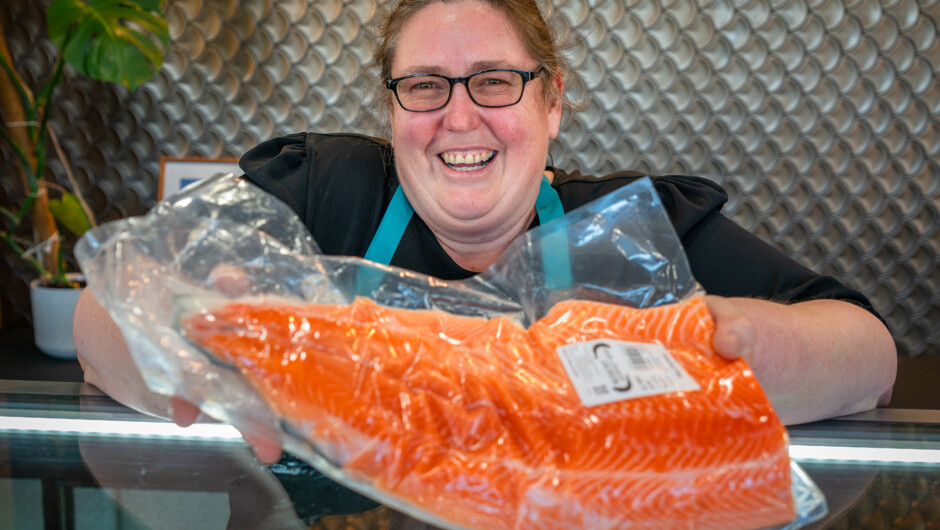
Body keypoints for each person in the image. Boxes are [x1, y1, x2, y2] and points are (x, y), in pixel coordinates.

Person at [74, 0, 897, 464]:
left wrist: (739, 345)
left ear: (553, 103)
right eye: (425, 85)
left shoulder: (633, 230)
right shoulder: (321, 191)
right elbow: (100, 316)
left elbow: (869, 358)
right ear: (392, 110)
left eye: (496, 82)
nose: (458, 116)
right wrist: (185, 352)